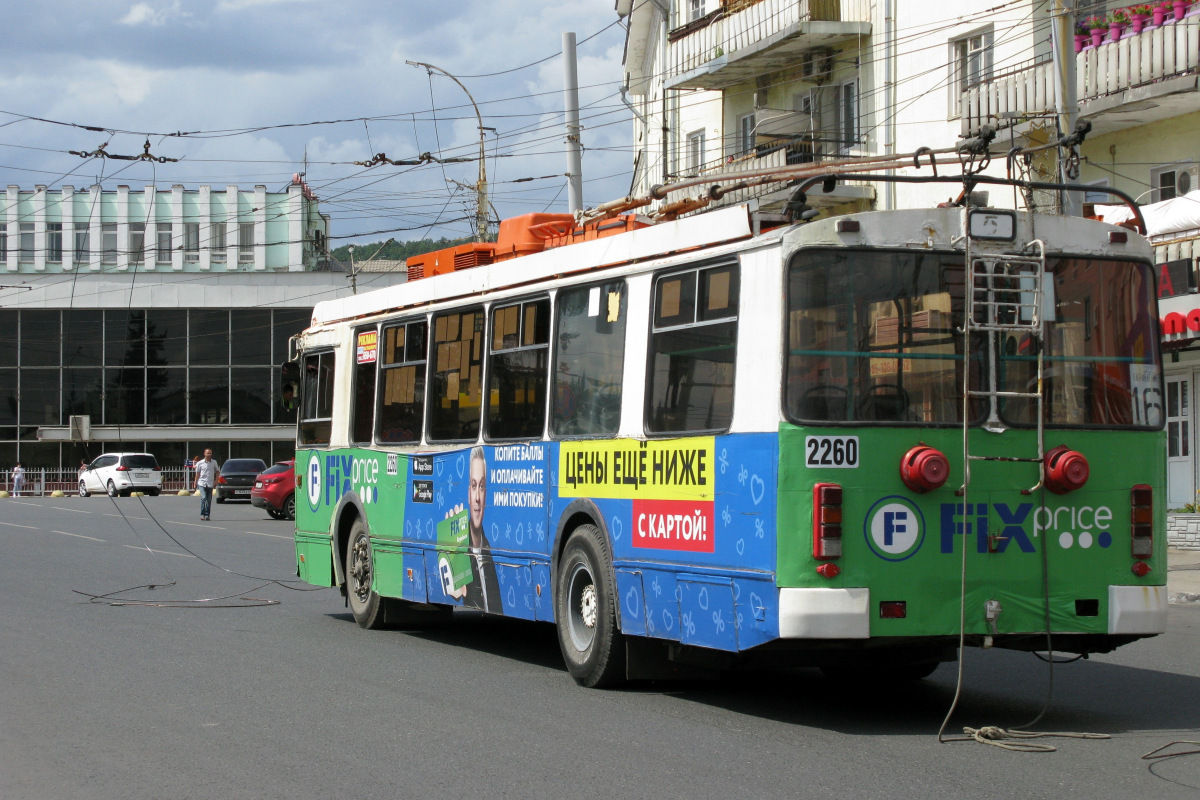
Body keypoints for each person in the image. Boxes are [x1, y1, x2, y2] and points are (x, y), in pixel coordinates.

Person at [463, 446, 502, 613]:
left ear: (486, 493)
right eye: (473, 486)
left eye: (481, 486)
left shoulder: (489, 553)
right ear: (468, 494)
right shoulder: (456, 548)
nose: (477, 498)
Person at [193, 449, 220, 520]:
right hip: (202, 483)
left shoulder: (214, 462)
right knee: (204, 497)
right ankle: (202, 514)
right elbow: (197, 473)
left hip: (210, 483)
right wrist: (195, 483)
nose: (209, 455)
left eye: (210, 453)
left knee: (209, 500)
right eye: (208, 453)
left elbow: (217, 471)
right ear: (204, 454)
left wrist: (216, 481)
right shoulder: (200, 463)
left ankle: (207, 515)